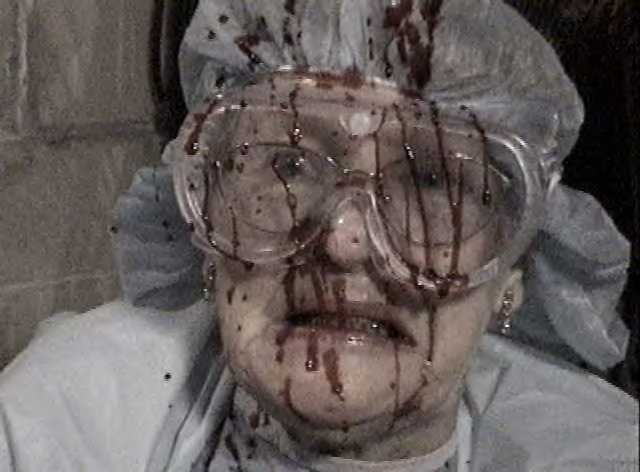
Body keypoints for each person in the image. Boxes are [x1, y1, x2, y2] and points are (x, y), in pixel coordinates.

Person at [0, 0, 637, 470]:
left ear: (514, 267)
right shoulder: (57, 429)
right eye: (288, 163)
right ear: (205, 225)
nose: (345, 240)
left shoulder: (601, 453)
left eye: (432, 179)